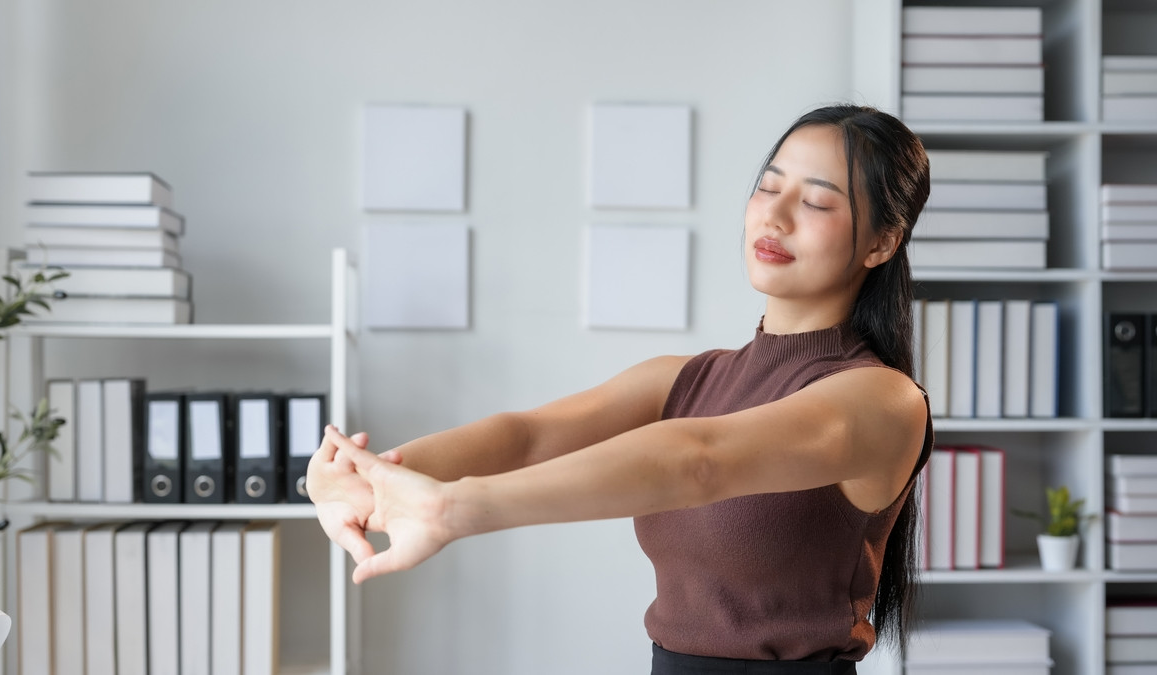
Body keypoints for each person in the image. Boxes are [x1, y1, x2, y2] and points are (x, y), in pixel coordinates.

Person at [307, 104, 934, 674]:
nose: (774, 214)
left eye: (817, 202)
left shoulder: (883, 401)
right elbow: (528, 436)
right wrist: (369, 477)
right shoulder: (683, 380)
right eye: (768, 187)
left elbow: (700, 461)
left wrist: (454, 508)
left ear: (882, 243)